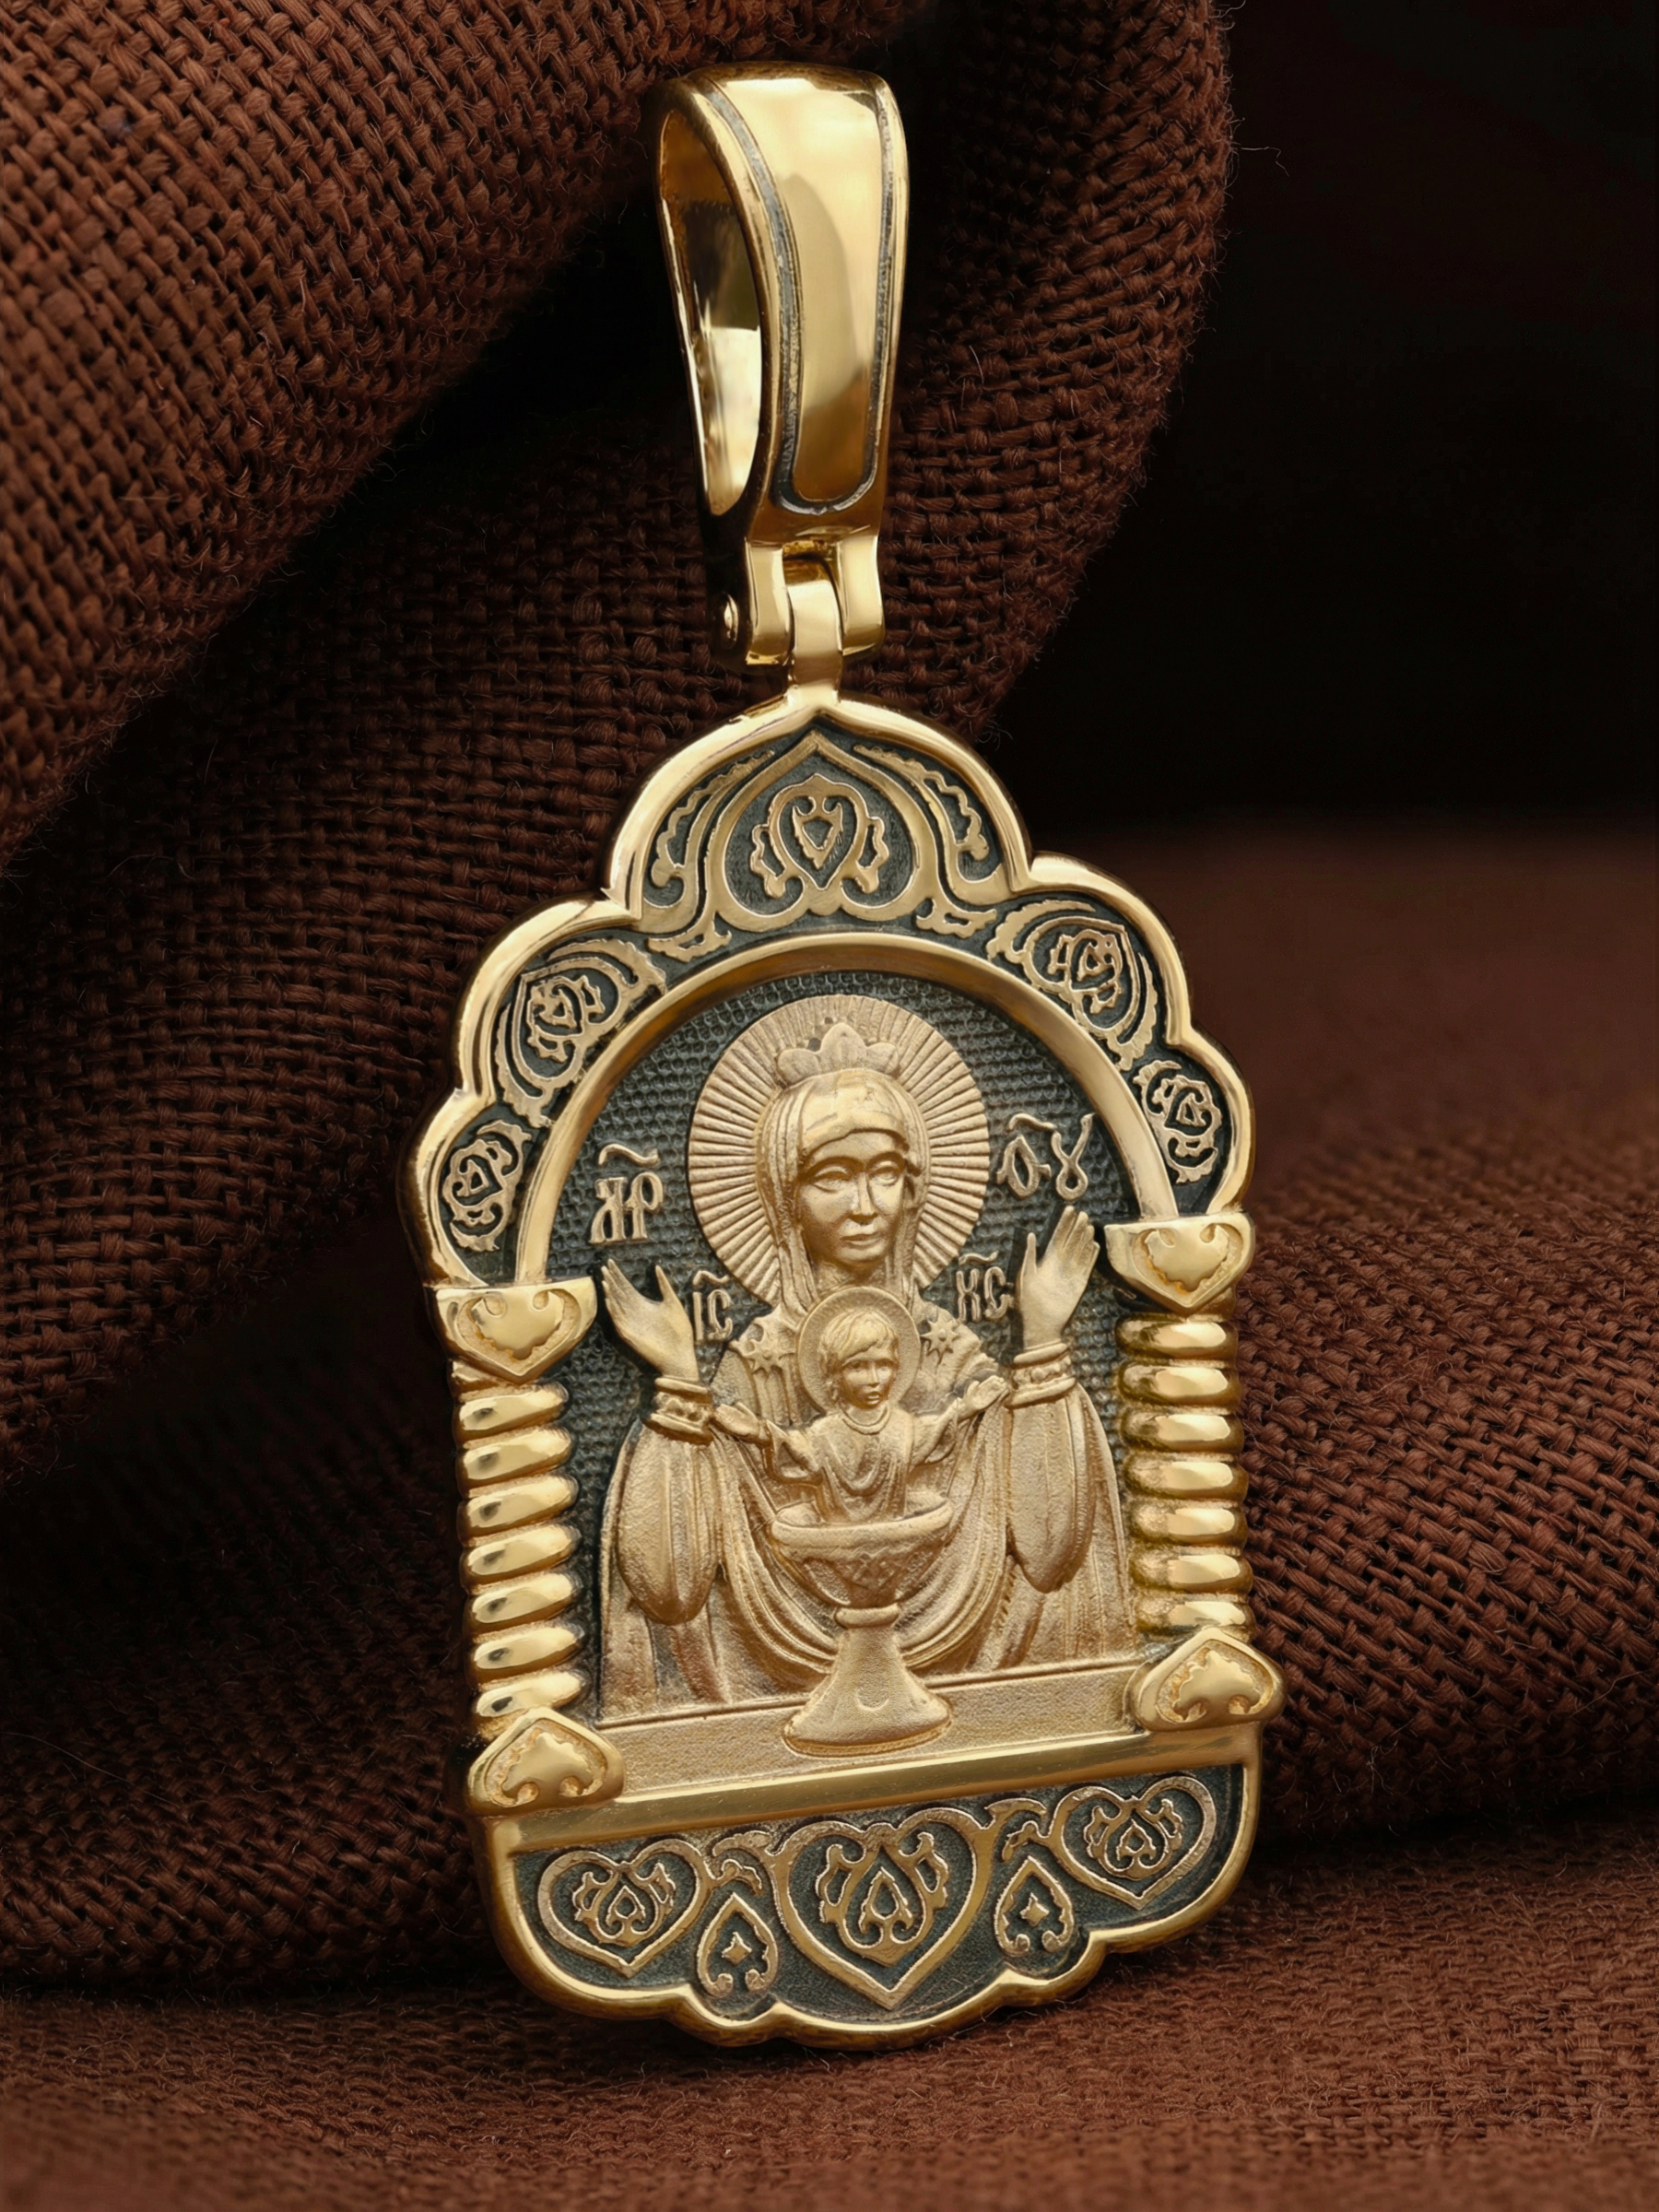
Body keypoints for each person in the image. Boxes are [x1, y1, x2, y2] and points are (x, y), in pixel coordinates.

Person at [598, 1014, 1136, 1715]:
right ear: (785, 1199)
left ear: (914, 1189)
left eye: (885, 1174)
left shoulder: (949, 1351)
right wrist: (677, 1374)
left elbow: (1051, 1552)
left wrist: (1040, 1338)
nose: (865, 1207)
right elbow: (671, 1590)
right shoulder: (758, 1367)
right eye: (833, 1177)